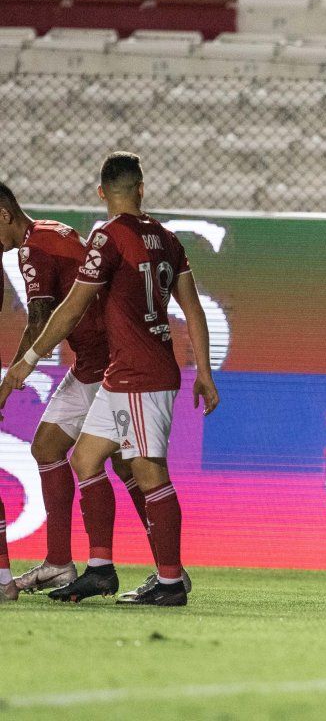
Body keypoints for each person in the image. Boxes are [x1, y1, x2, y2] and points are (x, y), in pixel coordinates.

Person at [0, 152, 219, 607]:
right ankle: (94, 567)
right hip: (114, 369)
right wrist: (206, 371)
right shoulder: (165, 237)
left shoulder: (96, 237)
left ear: (102, 193)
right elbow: (192, 308)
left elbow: (64, 309)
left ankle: (171, 577)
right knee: (80, 457)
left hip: (133, 369)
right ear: (142, 187)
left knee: (142, 469)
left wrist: (21, 368)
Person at [0, 182, 167, 597]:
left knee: (130, 466)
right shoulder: (50, 231)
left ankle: (165, 572)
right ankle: (60, 564)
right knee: (50, 448)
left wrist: (8, 382)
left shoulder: (32, 249)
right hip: (93, 360)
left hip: (107, 363)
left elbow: (40, 320)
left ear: (3, 215)